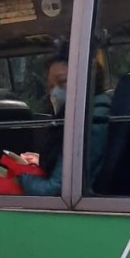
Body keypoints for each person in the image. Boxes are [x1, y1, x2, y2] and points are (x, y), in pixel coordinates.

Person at [18, 46, 110, 195]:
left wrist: (20, 175)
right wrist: (42, 160)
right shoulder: (91, 110)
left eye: (62, 82)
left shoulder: (90, 121)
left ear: (87, 78)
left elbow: (55, 190)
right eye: (50, 87)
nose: (54, 92)